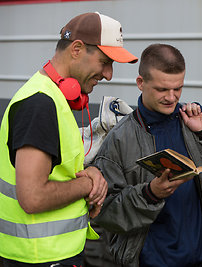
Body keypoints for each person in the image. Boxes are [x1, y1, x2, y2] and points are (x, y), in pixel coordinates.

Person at [0, 12, 138, 267]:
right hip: (42, 257)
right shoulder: (40, 105)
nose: (108, 74)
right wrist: (89, 186)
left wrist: (91, 173)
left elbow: (58, 172)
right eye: (105, 62)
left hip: (46, 253)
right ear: (76, 49)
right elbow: (32, 197)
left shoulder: (51, 98)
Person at [92, 43, 202, 266]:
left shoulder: (193, 123)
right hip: (152, 260)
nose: (172, 98)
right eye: (162, 90)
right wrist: (149, 194)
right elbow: (104, 213)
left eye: (178, 88)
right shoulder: (119, 139)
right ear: (140, 83)